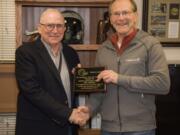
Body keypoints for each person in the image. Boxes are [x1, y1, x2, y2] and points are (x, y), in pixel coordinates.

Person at [85, 0, 171, 135]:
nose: (121, 18)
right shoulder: (103, 49)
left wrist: (119, 79)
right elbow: (99, 88)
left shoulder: (150, 45)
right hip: (108, 129)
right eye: (116, 14)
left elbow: (162, 84)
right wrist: (88, 110)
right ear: (110, 19)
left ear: (135, 16)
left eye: (125, 13)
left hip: (140, 129)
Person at [15, 8, 88, 135]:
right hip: (38, 127)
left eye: (59, 26)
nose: (55, 31)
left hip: (68, 127)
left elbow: (74, 90)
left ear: (65, 29)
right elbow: (32, 91)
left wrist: (81, 78)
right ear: (39, 28)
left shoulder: (71, 53)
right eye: (50, 26)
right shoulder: (25, 53)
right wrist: (69, 113)